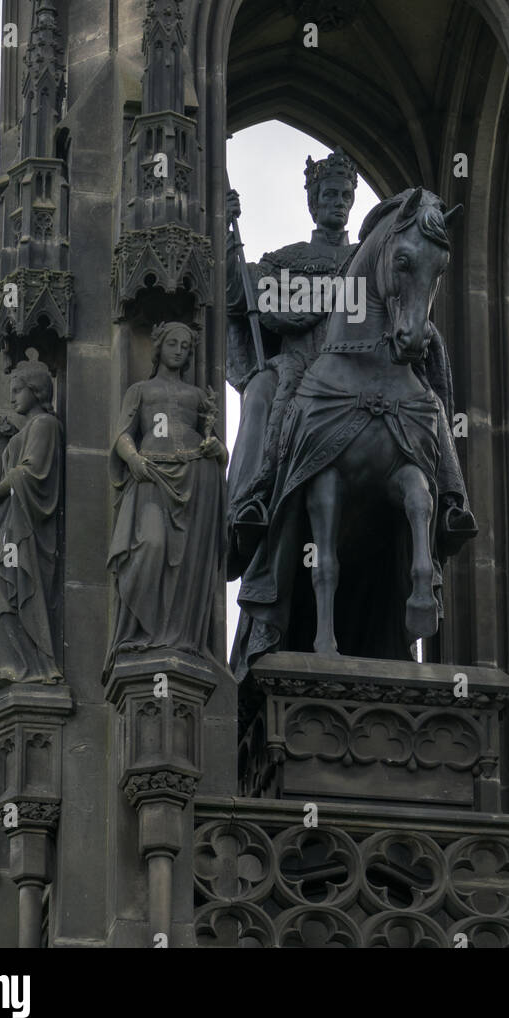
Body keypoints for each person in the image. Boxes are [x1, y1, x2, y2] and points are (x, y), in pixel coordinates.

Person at [226, 148, 358, 566]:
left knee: (423, 400)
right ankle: (246, 500)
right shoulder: (288, 260)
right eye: (330, 196)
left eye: (345, 197)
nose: (337, 204)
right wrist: (226, 238)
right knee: (262, 389)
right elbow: (240, 292)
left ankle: (447, 496)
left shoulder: (368, 263)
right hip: (299, 367)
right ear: (313, 203)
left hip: (360, 370)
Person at [105, 322, 227, 667]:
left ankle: (177, 636)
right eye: (173, 343)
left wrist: (217, 447)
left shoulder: (199, 397)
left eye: (186, 346)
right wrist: (133, 458)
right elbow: (122, 435)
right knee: (151, 545)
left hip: (196, 476)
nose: (179, 350)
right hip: (152, 476)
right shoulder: (140, 391)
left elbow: (220, 452)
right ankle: (140, 634)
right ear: (159, 347)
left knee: (189, 561)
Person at [0, 355, 63, 686]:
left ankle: (30, 665)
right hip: (10, 519)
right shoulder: (27, 428)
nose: (13, 396)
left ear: (36, 389)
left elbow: (31, 473)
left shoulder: (44, 425)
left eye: (18, 389)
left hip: (24, 523)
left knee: (0, 586)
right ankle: (14, 664)